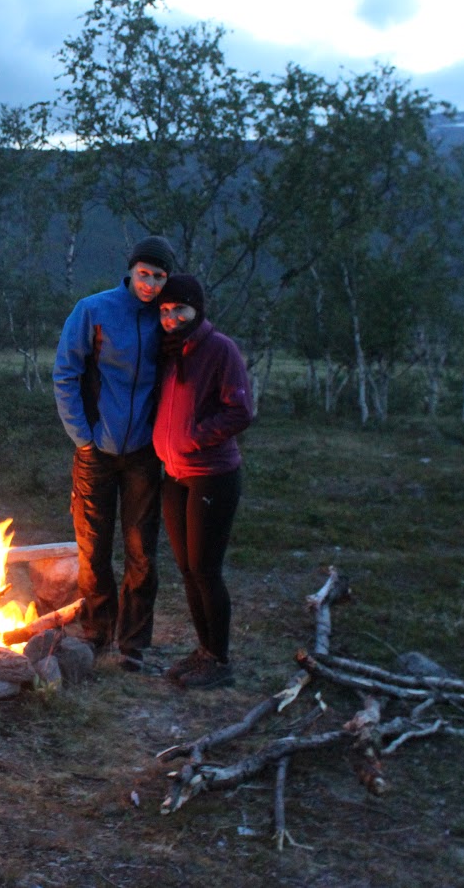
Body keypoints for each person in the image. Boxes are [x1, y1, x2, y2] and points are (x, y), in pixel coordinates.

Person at [53, 235, 177, 671]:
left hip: (145, 452)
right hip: (96, 451)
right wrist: (82, 438)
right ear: (131, 271)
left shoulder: (167, 317)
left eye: (160, 276)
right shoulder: (94, 310)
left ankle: (134, 643)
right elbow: (65, 373)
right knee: (94, 548)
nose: (151, 283)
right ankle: (97, 633)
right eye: (145, 274)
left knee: (142, 549)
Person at [151, 273, 254, 689]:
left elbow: (240, 411)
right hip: (174, 476)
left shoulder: (220, 349)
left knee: (206, 569)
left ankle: (221, 659)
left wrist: (193, 437)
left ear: (197, 310)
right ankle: (204, 650)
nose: (172, 318)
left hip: (212, 474)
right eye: (165, 311)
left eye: (180, 310)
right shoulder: (169, 350)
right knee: (187, 569)